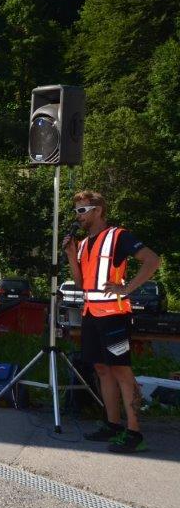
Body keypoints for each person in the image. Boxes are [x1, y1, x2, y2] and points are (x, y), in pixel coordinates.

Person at [65, 190, 159, 453]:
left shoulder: (119, 236)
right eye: (76, 211)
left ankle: (135, 432)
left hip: (114, 315)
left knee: (120, 370)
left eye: (82, 210)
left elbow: (153, 260)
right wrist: (72, 255)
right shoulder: (84, 243)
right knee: (101, 369)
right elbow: (82, 283)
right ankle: (113, 424)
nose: (78, 216)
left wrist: (127, 288)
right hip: (91, 313)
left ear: (98, 210)